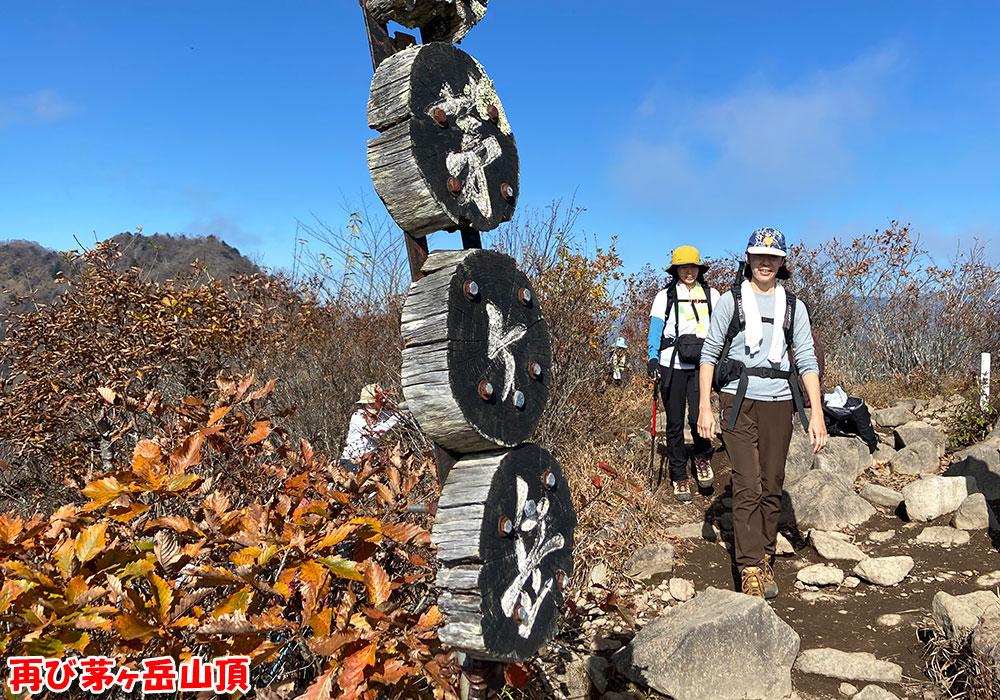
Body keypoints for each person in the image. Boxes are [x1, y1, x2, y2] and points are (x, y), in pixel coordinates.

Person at [697, 228, 828, 599]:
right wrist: (705, 406)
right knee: (747, 484)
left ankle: (765, 554)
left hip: (780, 402)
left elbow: (805, 358)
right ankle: (750, 565)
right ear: (748, 258)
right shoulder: (731, 301)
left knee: (772, 484)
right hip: (738, 400)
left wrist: (816, 412)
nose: (765, 262)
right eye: (758, 256)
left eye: (773, 257)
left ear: (783, 261)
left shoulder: (794, 306)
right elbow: (710, 351)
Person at [646, 246, 721, 502]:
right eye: (684, 267)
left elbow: (723, 330)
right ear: (676, 270)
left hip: (703, 366)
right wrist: (652, 358)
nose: (689, 271)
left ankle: (702, 457)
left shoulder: (712, 295)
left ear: (699, 269)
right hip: (671, 365)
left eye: (693, 266)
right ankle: (679, 475)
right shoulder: (664, 296)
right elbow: (655, 330)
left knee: (699, 417)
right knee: (675, 422)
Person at [340, 383, 400, 473]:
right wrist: (396, 418)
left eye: (375, 402)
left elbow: (400, 417)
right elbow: (375, 434)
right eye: (369, 403)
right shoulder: (358, 416)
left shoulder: (384, 414)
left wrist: (404, 413)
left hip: (373, 458)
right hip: (352, 460)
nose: (373, 405)